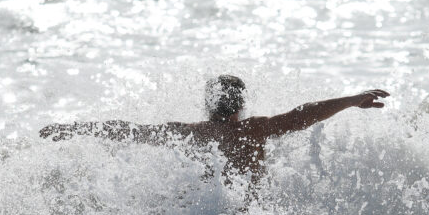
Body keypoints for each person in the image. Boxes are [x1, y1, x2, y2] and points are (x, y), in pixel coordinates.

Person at [39, 75, 389, 181]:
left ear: (209, 105)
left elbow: (129, 130)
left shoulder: (191, 132)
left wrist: (74, 129)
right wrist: (351, 100)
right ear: (240, 105)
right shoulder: (255, 130)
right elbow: (305, 114)